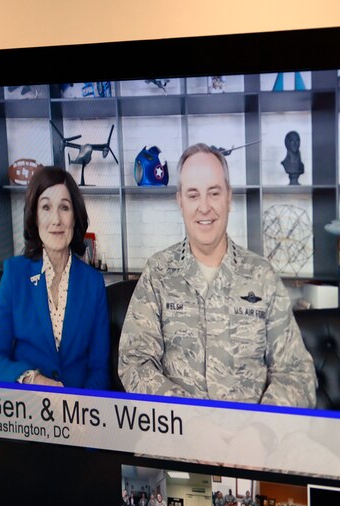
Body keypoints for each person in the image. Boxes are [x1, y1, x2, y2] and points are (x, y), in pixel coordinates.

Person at [118, 143, 316, 406]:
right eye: (193, 195)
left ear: (228, 198)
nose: (204, 207)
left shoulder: (261, 276)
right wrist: (191, 419)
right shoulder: (159, 273)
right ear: (180, 202)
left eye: (213, 193)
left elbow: (297, 374)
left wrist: (259, 429)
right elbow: (134, 362)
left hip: (249, 440)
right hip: (175, 439)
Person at [0, 166, 110, 389]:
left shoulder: (94, 283)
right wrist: (33, 379)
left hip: (79, 414)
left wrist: (83, 410)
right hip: (28, 410)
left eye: (64, 208)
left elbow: (99, 370)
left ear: (75, 217)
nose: (56, 220)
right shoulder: (15, 275)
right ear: (35, 216)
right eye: (46, 207)